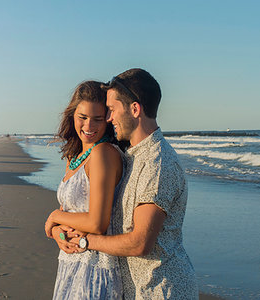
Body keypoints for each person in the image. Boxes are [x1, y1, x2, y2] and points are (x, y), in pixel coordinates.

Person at [59, 69, 199, 299]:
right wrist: (59, 231)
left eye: (112, 110)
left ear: (135, 109)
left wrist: (84, 241)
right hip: (138, 288)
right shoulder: (132, 156)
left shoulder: (158, 163)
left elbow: (140, 243)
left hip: (162, 290)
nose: (109, 118)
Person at [44, 80, 124, 299]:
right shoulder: (76, 156)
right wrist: (58, 231)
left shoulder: (103, 154)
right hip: (71, 263)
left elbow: (97, 223)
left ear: (108, 119)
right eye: (83, 118)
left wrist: (54, 216)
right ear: (72, 116)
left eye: (98, 119)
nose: (89, 127)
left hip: (94, 269)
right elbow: (68, 215)